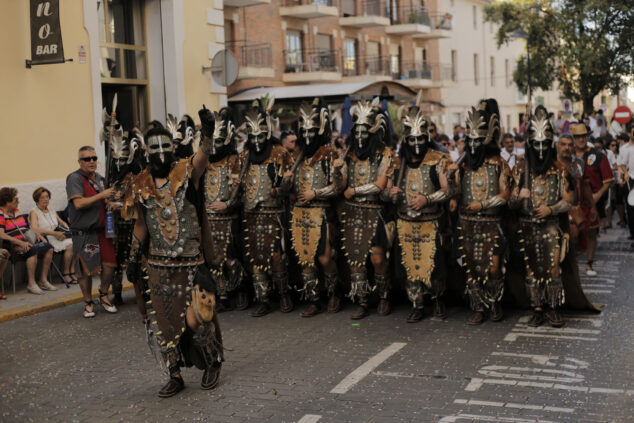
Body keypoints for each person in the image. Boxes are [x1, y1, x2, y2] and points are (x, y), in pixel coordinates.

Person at [123, 108, 223, 398]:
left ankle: (212, 360)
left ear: (173, 146)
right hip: (157, 266)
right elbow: (141, 225)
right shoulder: (140, 183)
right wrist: (132, 257)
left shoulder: (186, 170)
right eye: (155, 149)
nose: (162, 153)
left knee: (197, 319)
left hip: (192, 262)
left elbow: (204, 157)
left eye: (166, 146)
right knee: (164, 324)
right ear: (147, 152)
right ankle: (174, 374)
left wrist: (207, 132)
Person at [510, 106, 574, 328]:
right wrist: (519, 197)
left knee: (553, 268)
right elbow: (509, 203)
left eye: (543, 145)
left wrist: (551, 209)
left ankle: (554, 308)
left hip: (550, 227)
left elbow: (568, 200)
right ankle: (537, 309)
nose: (539, 150)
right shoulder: (520, 169)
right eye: (535, 145)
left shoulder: (559, 170)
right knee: (531, 270)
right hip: (527, 227)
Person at [389, 96, 451, 322]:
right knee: (409, 266)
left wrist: (427, 198)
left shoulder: (438, 159)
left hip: (430, 221)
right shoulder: (397, 163)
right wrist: (390, 194)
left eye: (419, 139)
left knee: (434, 266)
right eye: (412, 139)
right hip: (405, 222)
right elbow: (387, 191)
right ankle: (417, 303)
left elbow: (447, 190)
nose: (416, 144)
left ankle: (437, 300)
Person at [455, 99, 511, 325]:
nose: (475, 145)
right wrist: (450, 179)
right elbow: (456, 193)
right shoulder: (463, 165)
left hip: (491, 222)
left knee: (494, 267)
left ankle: (494, 302)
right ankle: (478, 307)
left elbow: (506, 194)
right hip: (467, 224)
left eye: (479, 140)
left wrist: (484, 204)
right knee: (471, 267)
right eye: (472, 140)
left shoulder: (499, 163)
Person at [340, 97, 395, 319]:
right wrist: (337, 172)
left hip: (375, 211)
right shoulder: (348, 154)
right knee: (356, 260)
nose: (361, 137)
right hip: (353, 214)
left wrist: (356, 190)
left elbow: (381, 184)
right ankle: (362, 300)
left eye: (365, 132)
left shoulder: (385, 154)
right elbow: (341, 186)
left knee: (377, 259)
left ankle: (383, 297)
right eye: (358, 132)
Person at [239, 98, 294, 317]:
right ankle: (263, 298)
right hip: (252, 215)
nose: (258, 141)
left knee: (276, 257)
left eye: (261, 136)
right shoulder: (244, 157)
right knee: (256, 258)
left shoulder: (280, 154)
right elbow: (239, 188)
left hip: (274, 214)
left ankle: (283, 294)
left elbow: (288, 186)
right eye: (253, 137)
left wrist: (283, 186)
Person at [289, 98, 344, 317]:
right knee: (305, 259)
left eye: (312, 131)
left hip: (321, 213)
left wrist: (316, 193)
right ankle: (314, 299)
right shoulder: (295, 157)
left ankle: (333, 293)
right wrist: (285, 181)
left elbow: (337, 187)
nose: (309, 136)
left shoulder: (329, 154)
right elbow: (285, 191)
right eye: (305, 132)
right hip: (300, 215)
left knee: (324, 258)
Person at [201, 107, 247, 312]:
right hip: (209, 219)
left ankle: (241, 289)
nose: (215, 147)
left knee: (230, 259)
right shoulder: (203, 165)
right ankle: (222, 295)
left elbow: (243, 192)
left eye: (219, 142)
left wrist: (227, 204)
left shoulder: (234, 161)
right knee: (214, 260)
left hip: (229, 219)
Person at [66, 146, 118, 317]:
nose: (91, 162)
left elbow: (104, 201)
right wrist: (102, 195)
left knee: (110, 265)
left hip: (103, 230)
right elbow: (79, 204)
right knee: (84, 270)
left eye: (94, 158)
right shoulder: (74, 178)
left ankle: (103, 293)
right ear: (80, 162)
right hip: (84, 231)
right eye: (87, 159)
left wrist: (112, 201)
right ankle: (88, 302)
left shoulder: (101, 179)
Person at [571, 123, 613, 276]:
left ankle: (589, 263)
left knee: (591, 233)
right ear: (574, 138)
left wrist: (597, 196)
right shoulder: (568, 156)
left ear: (587, 137)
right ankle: (572, 263)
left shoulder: (598, 155)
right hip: (573, 202)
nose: (581, 139)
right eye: (578, 137)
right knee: (573, 233)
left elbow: (608, 180)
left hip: (592, 201)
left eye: (583, 136)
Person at [0, 187, 55, 294]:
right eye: (15, 200)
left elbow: (26, 228)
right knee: (32, 250)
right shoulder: (1, 214)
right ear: (7, 202)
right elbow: (1, 234)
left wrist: (37, 234)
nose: (18, 202)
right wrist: (20, 242)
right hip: (13, 246)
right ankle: (31, 284)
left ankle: (43, 280)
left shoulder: (16, 211)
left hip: (27, 241)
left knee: (48, 247)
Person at [29, 187, 75, 285]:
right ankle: (66, 273)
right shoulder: (34, 211)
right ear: (37, 199)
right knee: (71, 245)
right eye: (42, 197)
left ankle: (72, 271)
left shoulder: (51, 209)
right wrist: (54, 233)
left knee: (75, 241)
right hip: (46, 238)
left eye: (47, 197)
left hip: (58, 235)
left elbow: (61, 221)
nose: (46, 199)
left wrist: (65, 227)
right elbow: (34, 228)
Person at [617, 122, 634, 240]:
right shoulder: (624, 149)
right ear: (629, 134)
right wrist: (624, 175)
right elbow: (621, 164)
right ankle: (633, 233)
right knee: (631, 208)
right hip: (631, 180)